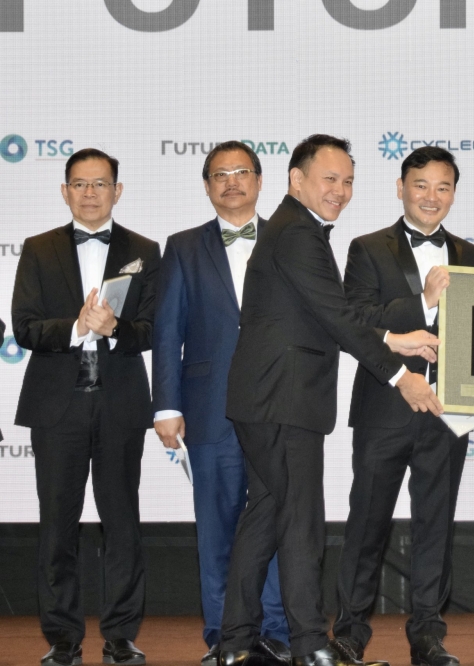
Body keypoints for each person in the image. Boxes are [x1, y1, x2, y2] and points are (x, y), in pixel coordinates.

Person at [218, 134, 442, 666]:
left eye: (347, 181)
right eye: (329, 179)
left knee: (268, 516)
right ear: (297, 180)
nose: (340, 191)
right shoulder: (298, 233)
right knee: (300, 522)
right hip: (283, 400)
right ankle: (311, 646)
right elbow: (338, 317)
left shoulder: (297, 230)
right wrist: (400, 375)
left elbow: (330, 312)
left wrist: (395, 339)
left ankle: (234, 643)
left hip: (269, 398)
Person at [334, 146, 474, 666]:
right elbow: (355, 319)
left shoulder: (471, 255)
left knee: (436, 527)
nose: (431, 196)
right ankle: (350, 630)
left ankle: (428, 634)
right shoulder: (366, 247)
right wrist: (422, 302)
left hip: (447, 412)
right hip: (385, 406)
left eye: (443, 187)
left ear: (453, 194)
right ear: (400, 187)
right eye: (421, 185)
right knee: (367, 523)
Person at [12, 149, 161, 666]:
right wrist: (77, 327)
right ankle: (62, 638)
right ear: (65, 191)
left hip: (120, 405)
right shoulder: (37, 248)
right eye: (80, 184)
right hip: (58, 408)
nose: (91, 193)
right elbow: (26, 326)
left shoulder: (144, 249)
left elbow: (153, 329)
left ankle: (121, 635)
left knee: (122, 524)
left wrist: (114, 329)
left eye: (101, 184)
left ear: (118, 191)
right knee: (58, 525)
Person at [151, 141, 290, 666]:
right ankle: (223, 637)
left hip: (278, 406)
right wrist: (165, 405)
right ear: (207, 185)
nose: (231, 181)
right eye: (219, 174)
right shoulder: (183, 246)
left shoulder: (289, 239)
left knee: (277, 522)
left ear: (259, 180)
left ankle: (275, 633)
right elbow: (167, 331)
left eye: (241, 172)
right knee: (217, 527)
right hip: (209, 408)